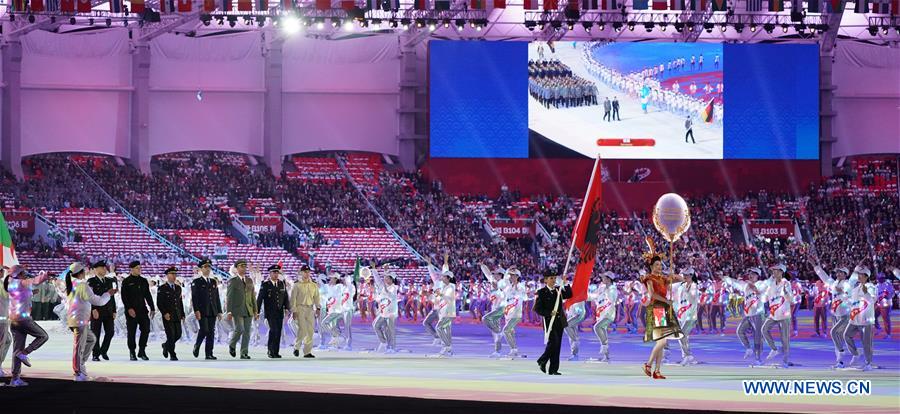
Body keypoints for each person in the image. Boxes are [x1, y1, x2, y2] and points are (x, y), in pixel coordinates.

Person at [640, 241, 685, 380]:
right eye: (657, 265)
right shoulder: (649, 278)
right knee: (663, 341)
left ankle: (657, 371)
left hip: (664, 308)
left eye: (660, 265)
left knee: (662, 340)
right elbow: (652, 294)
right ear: (651, 266)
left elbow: (681, 279)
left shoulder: (663, 278)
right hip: (657, 308)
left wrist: (672, 274)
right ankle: (648, 364)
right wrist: (666, 301)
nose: (659, 267)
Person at [65, 262, 116, 381]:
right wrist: (107, 294)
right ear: (81, 272)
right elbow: (97, 301)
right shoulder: (82, 285)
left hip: (77, 319)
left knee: (91, 339)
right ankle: (78, 372)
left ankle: (80, 365)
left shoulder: (74, 284)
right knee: (79, 347)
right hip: (79, 320)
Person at [5, 265, 51, 387]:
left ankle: (15, 379)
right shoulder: (23, 282)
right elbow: (36, 280)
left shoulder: (10, 282)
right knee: (43, 336)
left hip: (13, 320)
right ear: (19, 274)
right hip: (23, 319)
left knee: (16, 349)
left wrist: (31, 292)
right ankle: (25, 353)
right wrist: (46, 275)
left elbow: (21, 294)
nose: (25, 274)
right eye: (23, 272)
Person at [812, 261, 857, 368]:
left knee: (837, 334)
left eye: (841, 273)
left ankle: (850, 354)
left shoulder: (848, 283)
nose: (838, 274)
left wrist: (842, 291)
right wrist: (815, 266)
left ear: (845, 274)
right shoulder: (833, 283)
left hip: (845, 315)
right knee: (838, 338)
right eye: (837, 273)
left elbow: (854, 278)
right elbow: (824, 276)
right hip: (835, 315)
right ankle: (840, 361)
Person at [723, 268, 766, 366]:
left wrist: (748, 283)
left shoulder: (761, 284)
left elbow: (758, 291)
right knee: (740, 331)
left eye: (753, 274)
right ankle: (748, 348)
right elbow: (736, 284)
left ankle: (758, 358)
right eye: (750, 274)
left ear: (757, 276)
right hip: (749, 314)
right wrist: (726, 278)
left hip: (758, 314)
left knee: (758, 337)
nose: (750, 276)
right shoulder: (746, 285)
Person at [534, 268, 572, 376]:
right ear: (545, 280)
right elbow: (538, 309)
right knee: (553, 343)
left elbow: (569, 295)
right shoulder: (541, 293)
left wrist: (565, 283)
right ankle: (542, 360)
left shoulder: (558, 290)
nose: (554, 280)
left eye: (555, 278)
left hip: (559, 321)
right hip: (549, 321)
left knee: (557, 345)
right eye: (551, 278)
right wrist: (549, 313)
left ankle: (553, 369)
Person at [760, 264, 794, 368]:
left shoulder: (786, 283)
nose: (774, 273)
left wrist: (786, 293)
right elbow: (765, 299)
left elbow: (791, 300)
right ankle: (774, 349)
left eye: (776, 271)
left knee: (785, 339)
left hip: (784, 314)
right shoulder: (771, 284)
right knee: (764, 329)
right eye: (773, 271)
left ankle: (785, 361)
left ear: (781, 272)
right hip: (773, 314)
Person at [121, 260, 155, 361]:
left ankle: (142, 350)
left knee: (146, 330)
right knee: (131, 332)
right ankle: (132, 352)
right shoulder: (126, 281)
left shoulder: (143, 281)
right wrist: (129, 308)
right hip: (131, 311)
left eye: (140, 268)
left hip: (142, 310)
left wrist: (152, 307)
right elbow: (124, 297)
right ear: (131, 269)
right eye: (137, 268)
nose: (139, 270)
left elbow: (147, 295)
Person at [844, 267, 876, 371]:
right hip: (854, 319)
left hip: (866, 320)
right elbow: (853, 301)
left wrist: (866, 293)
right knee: (846, 335)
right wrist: (846, 300)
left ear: (867, 276)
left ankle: (868, 363)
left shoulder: (871, 287)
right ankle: (856, 354)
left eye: (861, 274)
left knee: (866, 342)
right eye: (858, 274)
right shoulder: (856, 288)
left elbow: (872, 300)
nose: (859, 276)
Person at [225, 260, 258, 360]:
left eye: (244, 267)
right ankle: (232, 343)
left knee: (247, 332)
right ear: (237, 268)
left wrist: (256, 311)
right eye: (241, 267)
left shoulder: (249, 280)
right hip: (237, 310)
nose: (243, 268)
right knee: (239, 329)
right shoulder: (233, 281)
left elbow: (252, 296)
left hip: (249, 309)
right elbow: (229, 297)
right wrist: (229, 311)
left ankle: (244, 352)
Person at [191, 258, 222, 360]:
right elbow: (194, 298)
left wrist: (219, 311)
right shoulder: (196, 282)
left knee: (211, 332)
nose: (207, 269)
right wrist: (196, 310)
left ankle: (209, 353)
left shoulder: (213, 281)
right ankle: (197, 345)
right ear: (201, 269)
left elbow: (216, 297)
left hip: (212, 310)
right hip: (202, 310)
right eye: (205, 267)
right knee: (204, 329)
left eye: (209, 267)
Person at [257, 264, 290, 358]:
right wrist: (257, 311)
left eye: (277, 272)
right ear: (270, 273)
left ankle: (276, 351)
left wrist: (287, 308)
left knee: (279, 331)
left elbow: (285, 297)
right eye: (274, 272)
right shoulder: (265, 284)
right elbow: (260, 299)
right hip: (270, 312)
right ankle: (270, 350)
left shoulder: (281, 283)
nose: (276, 274)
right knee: (273, 330)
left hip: (280, 312)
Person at [88, 261, 117, 362]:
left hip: (108, 310)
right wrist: (93, 309)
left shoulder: (109, 281)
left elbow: (112, 297)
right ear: (96, 269)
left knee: (110, 332)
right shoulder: (91, 281)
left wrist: (114, 310)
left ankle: (103, 350)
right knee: (96, 333)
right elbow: (89, 297)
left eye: (105, 268)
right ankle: (95, 354)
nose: (105, 269)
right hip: (97, 311)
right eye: (102, 268)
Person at [290, 264, 320, 358]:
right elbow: (293, 299)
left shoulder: (313, 285)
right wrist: (294, 310)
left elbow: (316, 297)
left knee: (310, 331)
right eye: (305, 272)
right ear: (301, 273)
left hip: (310, 309)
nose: (307, 274)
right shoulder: (297, 285)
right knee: (302, 329)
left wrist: (318, 308)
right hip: (300, 308)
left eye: (308, 272)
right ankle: (297, 347)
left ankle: (307, 351)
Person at [672, 268, 700, 365]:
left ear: (691, 275)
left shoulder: (694, 286)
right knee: (684, 338)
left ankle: (688, 355)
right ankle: (686, 357)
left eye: (687, 275)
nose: (685, 276)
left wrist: (687, 293)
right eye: (684, 275)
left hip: (690, 316)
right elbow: (669, 286)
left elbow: (692, 297)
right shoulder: (680, 286)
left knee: (681, 335)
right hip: (681, 315)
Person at [156, 267, 185, 361]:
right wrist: (164, 313)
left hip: (177, 314)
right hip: (168, 315)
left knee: (178, 334)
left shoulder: (178, 288)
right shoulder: (162, 288)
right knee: (171, 335)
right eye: (172, 274)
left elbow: (180, 302)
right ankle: (172, 354)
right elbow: (159, 303)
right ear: (167, 275)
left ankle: (166, 345)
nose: (174, 276)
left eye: (175, 274)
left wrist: (182, 314)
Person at [479, 264, 507, 358]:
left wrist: (497, 288)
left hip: (501, 307)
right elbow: (487, 273)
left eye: (497, 274)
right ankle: (497, 351)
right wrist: (482, 265)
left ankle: (499, 333)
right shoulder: (493, 280)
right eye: (494, 274)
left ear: (501, 275)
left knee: (485, 319)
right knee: (495, 333)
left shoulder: (503, 283)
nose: (494, 275)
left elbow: (503, 292)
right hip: (494, 308)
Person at [590, 271, 617, 363]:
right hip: (600, 314)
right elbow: (594, 296)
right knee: (602, 330)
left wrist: (607, 291)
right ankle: (606, 356)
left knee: (597, 327)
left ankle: (604, 346)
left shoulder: (612, 289)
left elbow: (612, 300)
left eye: (604, 278)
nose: (602, 279)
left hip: (608, 314)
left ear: (608, 279)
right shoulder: (602, 288)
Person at [371, 266, 399, 353]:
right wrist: (373, 269)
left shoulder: (394, 287)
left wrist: (384, 286)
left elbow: (389, 294)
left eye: (387, 278)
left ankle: (392, 348)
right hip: (383, 312)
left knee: (390, 330)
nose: (385, 279)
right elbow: (377, 279)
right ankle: (384, 342)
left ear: (391, 280)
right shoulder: (383, 287)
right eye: (385, 278)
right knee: (375, 325)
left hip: (391, 312)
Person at [501, 268, 527, 358]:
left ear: (517, 276)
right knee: (511, 332)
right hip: (508, 313)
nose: (511, 277)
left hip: (516, 314)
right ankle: (514, 350)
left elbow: (525, 298)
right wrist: (507, 270)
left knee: (506, 330)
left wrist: (517, 292)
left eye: (513, 275)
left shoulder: (521, 286)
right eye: (510, 275)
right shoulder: (509, 287)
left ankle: (513, 349)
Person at [322, 272, 347, 350]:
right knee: (333, 326)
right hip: (331, 309)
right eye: (330, 278)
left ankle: (336, 337)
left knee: (324, 323)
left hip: (337, 310)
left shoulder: (339, 286)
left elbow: (337, 293)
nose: (330, 279)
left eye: (332, 278)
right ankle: (336, 342)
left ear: (336, 279)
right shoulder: (330, 286)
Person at [874, 273, 894, 339]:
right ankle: (879, 328)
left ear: (884, 278)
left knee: (886, 319)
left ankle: (888, 334)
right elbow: (876, 295)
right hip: (878, 304)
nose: (880, 279)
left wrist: (886, 296)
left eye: (882, 278)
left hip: (886, 304)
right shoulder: (876, 286)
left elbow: (891, 293)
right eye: (879, 278)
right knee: (873, 316)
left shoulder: (888, 285)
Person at [0, 267, 10, 378]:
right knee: (2, 343)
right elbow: (7, 295)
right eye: (2, 270)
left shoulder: (2, 283)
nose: (3, 272)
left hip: (3, 317)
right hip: (1, 319)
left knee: (7, 340)